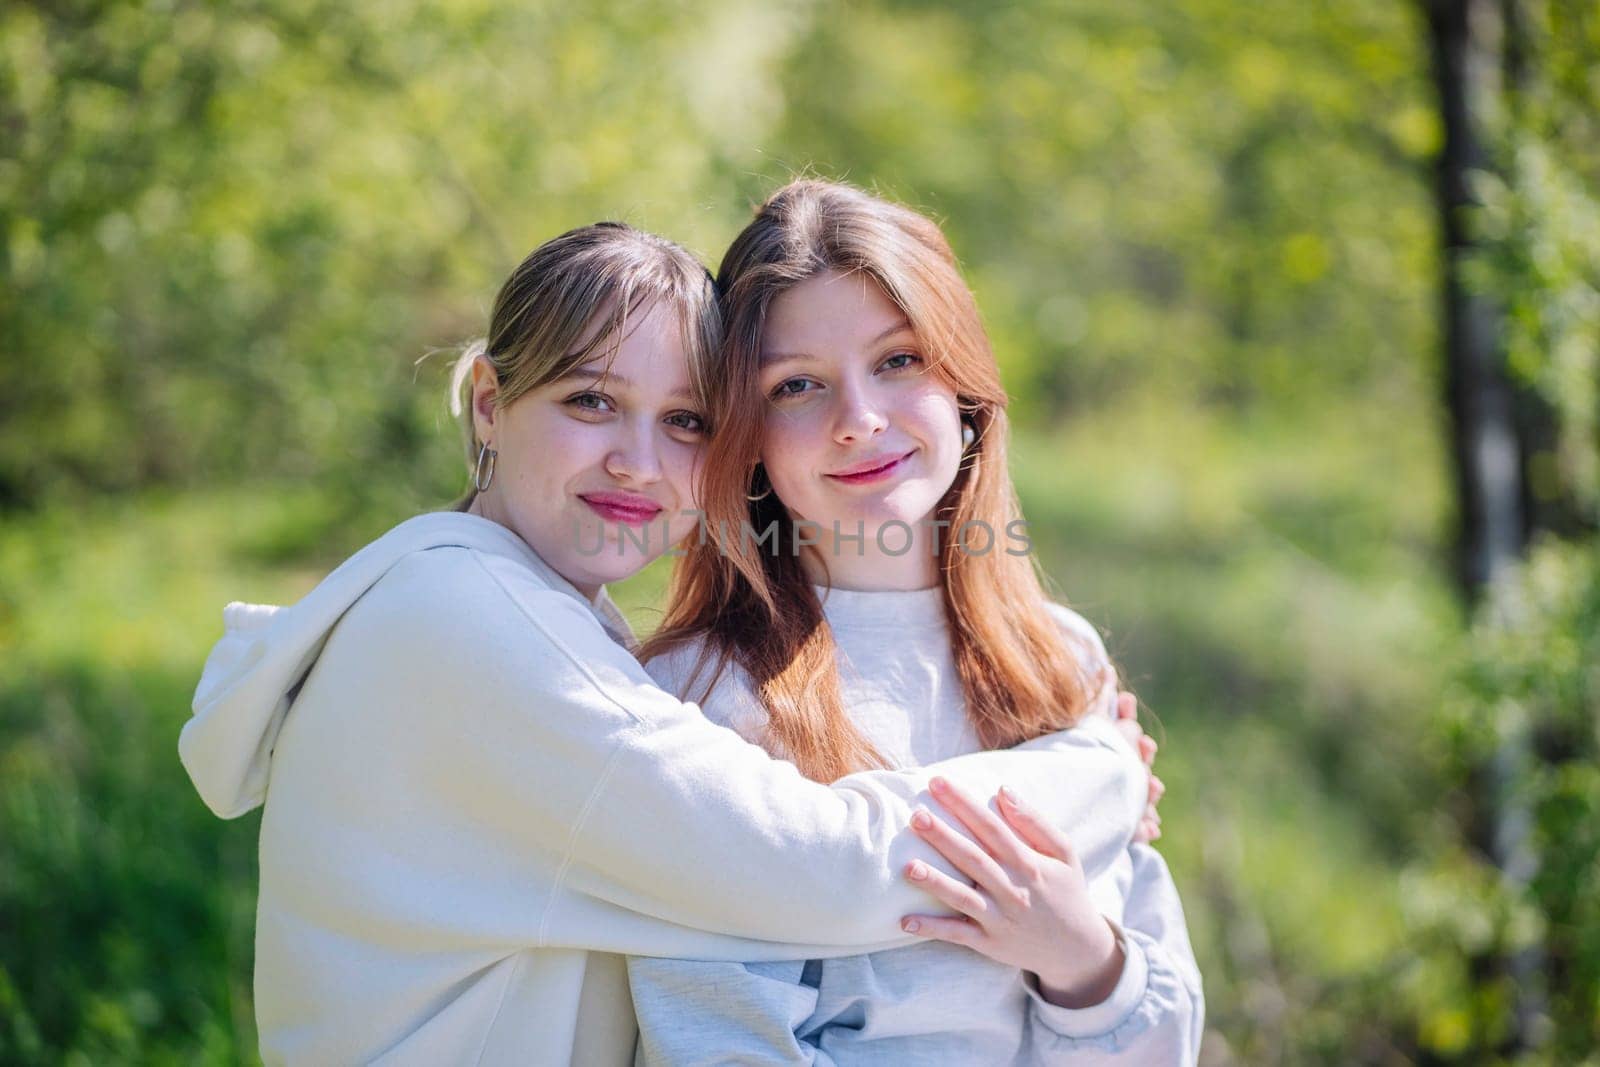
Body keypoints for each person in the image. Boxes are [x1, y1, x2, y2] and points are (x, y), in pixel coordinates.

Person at [177, 221, 1158, 1066]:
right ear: (487, 401)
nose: (636, 461)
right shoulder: (463, 620)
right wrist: (1096, 772)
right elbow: (818, 865)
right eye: (590, 400)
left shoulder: (512, 611)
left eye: (685, 420)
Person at [627, 181, 1203, 1064]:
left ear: (964, 385)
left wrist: (1080, 958)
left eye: (898, 361)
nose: (859, 419)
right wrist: (1099, 780)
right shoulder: (700, 698)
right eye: (798, 385)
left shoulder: (1062, 660)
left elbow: (1167, 1040)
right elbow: (717, 1044)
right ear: (746, 435)